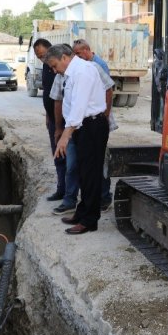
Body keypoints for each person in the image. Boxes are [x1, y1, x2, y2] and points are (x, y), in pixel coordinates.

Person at [45, 45, 109, 235]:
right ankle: (82, 213)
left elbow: (80, 107)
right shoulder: (72, 73)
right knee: (83, 172)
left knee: (91, 174)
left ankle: (90, 221)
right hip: (83, 127)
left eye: (55, 65)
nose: (54, 70)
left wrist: (65, 135)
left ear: (64, 58)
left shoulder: (82, 72)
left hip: (92, 127)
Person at [72, 39, 114, 209]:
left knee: (98, 162)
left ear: (87, 50)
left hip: (96, 120)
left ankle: (103, 197)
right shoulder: (84, 66)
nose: (77, 57)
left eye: (78, 53)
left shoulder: (97, 65)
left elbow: (108, 89)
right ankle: (92, 198)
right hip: (88, 121)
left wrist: (105, 113)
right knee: (90, 163)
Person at [33, 38, 66, 202]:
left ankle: (68, 193)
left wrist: (60, 125)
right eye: (39, 57)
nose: (42, 59)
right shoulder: (46, 68)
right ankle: (62, 189)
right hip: (53, 120)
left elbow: (59, 98)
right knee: (57, 155)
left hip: (64, 122)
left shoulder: (58, 68)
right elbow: (48, 92)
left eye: (43, 55)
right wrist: (48, 115)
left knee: (68, 157)